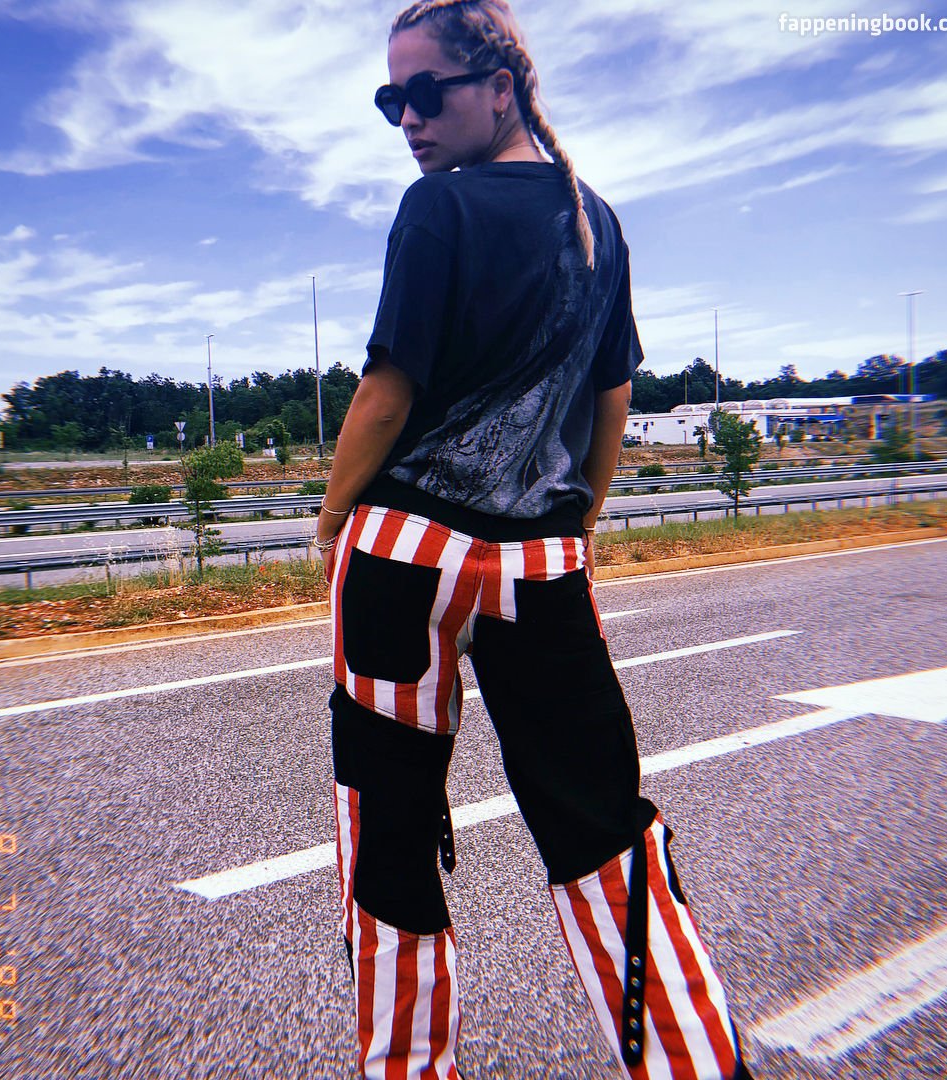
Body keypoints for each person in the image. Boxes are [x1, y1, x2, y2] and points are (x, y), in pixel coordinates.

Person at [312, 2, 755, 1076]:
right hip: (542, 568)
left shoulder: (438, 209)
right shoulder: (596, 220)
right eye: (391, 100)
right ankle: (689, 1061)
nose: (408, 119)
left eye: (427, 93)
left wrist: (329, 520)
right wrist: (578, 521)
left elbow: (386, 391)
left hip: (401, 559)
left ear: (500, 88)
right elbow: (613, 400)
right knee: (603, 824)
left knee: (389, 832)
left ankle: (407, 1066)